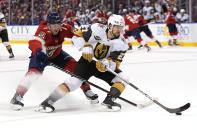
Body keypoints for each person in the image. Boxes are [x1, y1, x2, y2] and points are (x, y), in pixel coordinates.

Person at [35, 14, 129, 113]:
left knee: (124, 78)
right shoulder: (97, 28)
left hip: (101, 66)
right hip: (86, 61)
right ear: (110, 26)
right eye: (117, 27)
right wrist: (85, 47)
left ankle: (109, 101)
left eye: (121, 27)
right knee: (74, 82)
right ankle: (47, 102)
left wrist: (107, 64)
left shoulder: (122, 43)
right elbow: (77, 35)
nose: (119, 30)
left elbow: (116, 62)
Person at [10, 12, 98, 110]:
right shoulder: (43, 30)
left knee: (77, 69)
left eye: (58, 24)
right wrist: (38, 51)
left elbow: (79, 33)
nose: (57, 27)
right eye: (54, 25)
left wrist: (89, 37)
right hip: (41, 56)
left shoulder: (64, 27)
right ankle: (17, 96)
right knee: (32, 74)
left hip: (57, 54)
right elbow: (34, 42)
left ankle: (87, 90)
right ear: (48, 25)